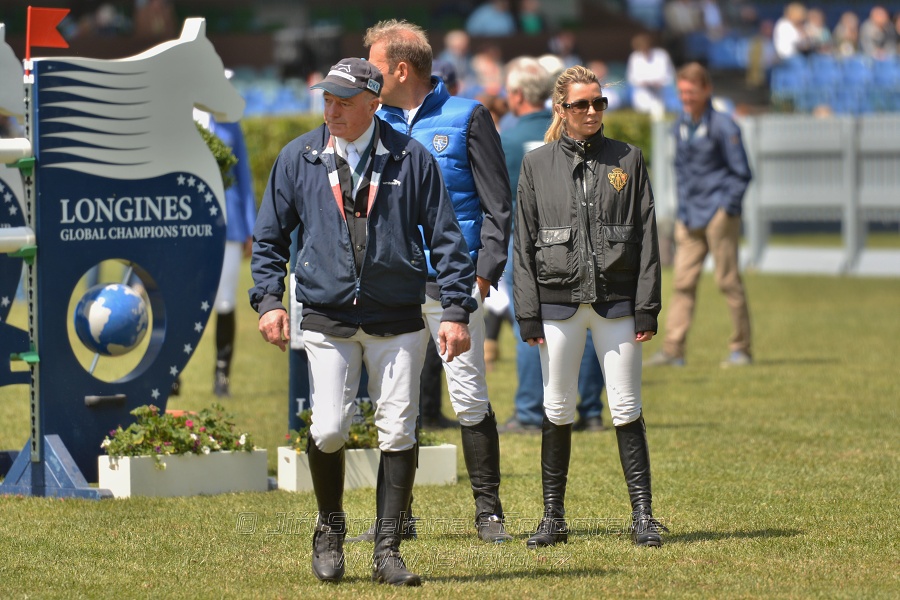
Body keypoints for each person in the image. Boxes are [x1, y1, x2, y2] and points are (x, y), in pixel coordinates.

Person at [249, 57, 477, 586]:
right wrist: (270, 302)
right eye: (326, 99)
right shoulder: (299, 157)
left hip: (397, 317)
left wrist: (457, 309)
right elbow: (268, 239)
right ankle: (329, 529)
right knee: (328, 428)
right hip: (326, 315)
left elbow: (446, 239)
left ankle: (387, 548)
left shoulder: (411, 157)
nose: (332, 110)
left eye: (344, 101)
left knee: (398, 430)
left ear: (375, 102)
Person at [365, 19, 513, 543]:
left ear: (401, 69)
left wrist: (484, 271)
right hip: (391, 287)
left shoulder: (468, 116)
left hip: (454, 284)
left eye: (375, 67)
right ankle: (394, 522)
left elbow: (498, 204)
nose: (367, 75)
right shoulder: (372, 121)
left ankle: (489, 513)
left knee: (469, 395)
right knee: (395, 405)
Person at [513, 65, 666, 548]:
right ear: (561, 109)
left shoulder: (629, 158)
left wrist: (647, 306)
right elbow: (523, 244)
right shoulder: (536, 164)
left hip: (617, 304)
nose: (593, 111)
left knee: (625, 406)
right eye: (582, 104)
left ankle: (643, 516)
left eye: (599, 102)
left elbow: (647, 238)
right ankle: (552, 518)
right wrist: (527, 312)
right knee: (556, 407)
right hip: (557, 304)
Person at [500, 56, 606, 434]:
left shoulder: (506, 139)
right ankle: (591, 410)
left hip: (530, 244)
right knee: (591, 321)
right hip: (581, 241)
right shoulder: (563, 140)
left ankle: (529, 412)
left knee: (529, 329)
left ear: (515, 95)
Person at [644, 62, 752, 369]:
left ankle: (741, 348)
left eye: (691, 92)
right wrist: (683, 211)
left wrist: (726, 209)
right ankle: (673, 350)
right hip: (689, 217)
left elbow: (741, 174)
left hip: (718, 216)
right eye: (681, 92)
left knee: (728, 282)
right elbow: (681, 171)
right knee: (681, 284)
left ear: (707, 90)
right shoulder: (679, 125)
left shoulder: (724, 126)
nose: (686, 97)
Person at [194, 104, 257, 398]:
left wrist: (250, 225)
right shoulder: (181, 118)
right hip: (189, 219)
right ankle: (173, 372)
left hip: (228, 219)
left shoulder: (229, 121)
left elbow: (242, 172)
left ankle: (222, 375)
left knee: (225, 299)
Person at [626, 32, 675, 118]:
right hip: (642, 95)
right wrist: (642, 82)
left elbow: (670, 75)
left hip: (659, 94)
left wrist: (660, 82)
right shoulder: (635, 57)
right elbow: (631, 78)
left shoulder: (661, 55)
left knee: (658, 117)